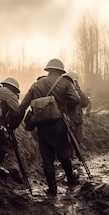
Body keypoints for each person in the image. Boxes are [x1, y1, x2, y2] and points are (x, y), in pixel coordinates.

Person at [19, 58, 81, 196]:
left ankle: (52, 189)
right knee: (64, 154)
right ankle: (71, 178)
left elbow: (23, 105)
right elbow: (76, 99)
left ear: (48, 70)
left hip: (42, 126)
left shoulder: (36, 84)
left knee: (47, 158)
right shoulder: (66, 83)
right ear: (60, 70)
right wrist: (65, 109)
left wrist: (14, 122)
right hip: (59, 124)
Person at [63, 71, 90, 150]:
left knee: (77, 141)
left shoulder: (77, 91)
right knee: (69, 141)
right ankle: (69, 158)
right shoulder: (65, 91)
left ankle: (74, 157)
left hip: (77, 120)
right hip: (69, 120)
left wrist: (78, 90)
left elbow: (85, 102)